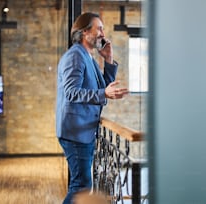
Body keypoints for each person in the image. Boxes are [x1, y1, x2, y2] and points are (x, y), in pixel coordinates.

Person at [56, 12, 128, 204]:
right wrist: (104, 94)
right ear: (85, 32)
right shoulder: (75, 57)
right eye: (99, 28)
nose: (103, 33)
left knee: (81, 186)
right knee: (81, 188)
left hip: (82, 131)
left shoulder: (87, 56)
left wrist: (109, 59)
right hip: (75, 132)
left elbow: (104, 85)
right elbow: (72, 92)